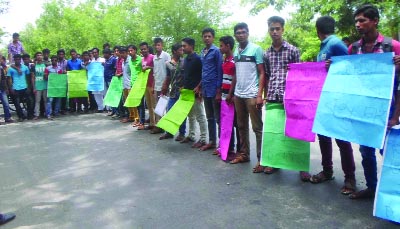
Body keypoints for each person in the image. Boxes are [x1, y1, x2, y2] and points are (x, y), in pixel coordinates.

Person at [346, 4, 400, 199]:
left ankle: (393, 195)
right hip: (363, 108)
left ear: (375, 21)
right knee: (366, 151)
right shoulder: (354, 48)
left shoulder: (392, 46)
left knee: (390, 152)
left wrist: (395, 116)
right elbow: (347, 77)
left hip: (387, 108)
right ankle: (371, 187)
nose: (358, 25)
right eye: (356, 21)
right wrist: (331, 66)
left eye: (363, 20)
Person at [309, 16, 357, 194]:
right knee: (323, 136)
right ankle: (327, 171)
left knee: (342, 138)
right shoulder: (324, 46)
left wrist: (335, 66)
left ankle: (350, 178)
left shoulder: (336, 44)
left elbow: (350, 68)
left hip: (338, 99)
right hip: (324, 98)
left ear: (317, 30)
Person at [262, 16, 311, 180]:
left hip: (291, 97)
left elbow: (300, 75)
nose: (274, 32)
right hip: (273, 97)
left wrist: (298, 97)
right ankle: (273, 162)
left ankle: (301, 167)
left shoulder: (293, 51)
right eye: (271, 29)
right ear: (269, 30)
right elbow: (267, 75)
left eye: (277, 28)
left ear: (283, 29)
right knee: (274, 132)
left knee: (297, 131)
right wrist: (265, 96)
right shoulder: (266, 53)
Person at [229, 23, 265, 170]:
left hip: (251, 95)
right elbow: (236, 73)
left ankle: (262, 159)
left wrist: (259, 95)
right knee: (241, 126)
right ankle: (244, 154)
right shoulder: (236, 51)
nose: (241, 35)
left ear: (248, 33)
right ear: (235, 35)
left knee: (257, 128)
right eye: (238, 33)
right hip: (238, 95)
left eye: (243, 32)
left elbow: (262, 72)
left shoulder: (256, 49)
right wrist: (231, 93)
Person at [180, 37, 208, 148]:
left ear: (191, 46)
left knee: (200, 116)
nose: (182, 48)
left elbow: (203, 75)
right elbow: (186, 75)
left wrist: (199, 88)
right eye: (182, 46)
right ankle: (191, 135)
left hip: (196, 92)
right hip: (187, 92)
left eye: (184, 46)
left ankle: (203, 138)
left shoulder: (198, 59)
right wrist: (182, 86)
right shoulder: (186, 59)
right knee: (190, 116)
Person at [199, 27, 223, 151]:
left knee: (218, 118)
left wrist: (219, 90)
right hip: (205, 89)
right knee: (209, 117)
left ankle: (222, 144)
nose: (207, 38)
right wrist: (200, 88)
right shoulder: (202, 52)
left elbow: (220, 70)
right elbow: (203, 72)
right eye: (205, 36)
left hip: (215, 89)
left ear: (213, 38)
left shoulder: (216, 51)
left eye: (209, 36)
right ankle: (212, 141)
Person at [218, 35, 240, 160]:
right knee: (226, 123)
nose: (220, 48)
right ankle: (228, 148)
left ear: (228, 46)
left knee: (236, 123)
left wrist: (231, 94)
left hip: (232, 96)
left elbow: (235, 79)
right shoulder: (224, 61)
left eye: (221, 45)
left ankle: (239, 150)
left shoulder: (234, 61)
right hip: (224, 96)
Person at [160, 43, 186, 141]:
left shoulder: (184, 62)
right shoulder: (168, 64)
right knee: (169, 111)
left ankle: (182, 133)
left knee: (180, 113)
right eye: (180, 50)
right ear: (174, 51)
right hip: (172, 91)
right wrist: (164, 87)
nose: (182, 52)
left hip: (182, 91)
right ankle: (169, 132)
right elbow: (168, 77)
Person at [151, 37, 171, 134]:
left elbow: (170, 71)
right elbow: (155, 72)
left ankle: (167, 128)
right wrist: (153, 86)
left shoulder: (166, 56)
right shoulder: (154, 57)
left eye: (159, 45)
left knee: (166, 106)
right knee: (158, 108)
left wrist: (166, 85)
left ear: (162, 45)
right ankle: (159, 126)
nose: (157, 47)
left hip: (165, 86)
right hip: (157, 85)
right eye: (155, 45)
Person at [7, 54, 34, 121]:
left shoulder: (25, 67)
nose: (17, 60)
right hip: (15, 88)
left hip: (25, 87)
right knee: (17, 103)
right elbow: (9, 79)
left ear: (20, 60)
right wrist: (11, 88)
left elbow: (28, 78)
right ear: (14, 60)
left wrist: (29, 87)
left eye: (19, 59)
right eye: (16, 59)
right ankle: (21, 116)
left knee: (30, 101)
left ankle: (29, 115)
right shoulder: (10, 69)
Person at [140, 42, 155, 130]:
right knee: (149, 106)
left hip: (152, 84)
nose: (143, 51)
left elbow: (156, 68)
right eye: (141, 49)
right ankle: (151, 123)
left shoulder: (152, 57)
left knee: (154, 106)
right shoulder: (142, 59)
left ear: (148, 49)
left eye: (144, 49)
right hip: (146, 84)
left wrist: (149, 67)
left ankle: (157, 124)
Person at [127, 45, 142, 126]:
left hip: (140, 84)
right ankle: (137, 119)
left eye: (131, 50)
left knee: (140, 104)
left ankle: (141, 121)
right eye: (129, 51)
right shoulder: (129, 60)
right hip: (132, 84)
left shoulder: (140, 59)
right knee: (135, 103)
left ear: (135, 50)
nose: (130, 52)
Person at [67, 49, 83, 113]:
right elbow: (67, 69)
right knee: (72, 94)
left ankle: (79, 108)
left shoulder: (80, 61)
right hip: (71, 80)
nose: (73, 55)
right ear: (70, 55)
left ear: (76, 54)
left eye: (74, 54)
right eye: (72, 54)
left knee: (79, 94)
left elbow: (82, 69)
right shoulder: (68, 62)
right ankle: (72, 108)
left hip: (78, 79)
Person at [32, 52, 48, 120]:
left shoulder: (46, 65)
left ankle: (48, 114)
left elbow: (48, 75)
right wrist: (34, 87)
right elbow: (32, 77)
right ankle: (36, 115)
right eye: (37, 55)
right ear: (36, 57)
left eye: (40, 55)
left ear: (42, 56)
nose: (39, 56)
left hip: (45, 85)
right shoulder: (33, 66)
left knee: (46, 101)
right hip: (37, 86)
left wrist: (46, 75)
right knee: (37, 101)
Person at [90, 47, 106, 113]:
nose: (94, 53)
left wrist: (104, 65)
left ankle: (107, 108)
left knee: (104, 93)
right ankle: (100, 108)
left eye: (96, 52)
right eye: (93, 52)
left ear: (98, 53)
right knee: (96, 94)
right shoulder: (91, 61)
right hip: (94, 80)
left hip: (102, 78)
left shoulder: (102, 60)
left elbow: (106, 67)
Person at [103, 48, 117, 114]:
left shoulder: (113, 60)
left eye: (104, 54)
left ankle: (116, 111)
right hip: (106, 80)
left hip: (112, 80)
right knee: (110, 96)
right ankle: (113, 110)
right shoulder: (106, 60)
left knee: (113, 96)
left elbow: (115, 69)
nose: (103, 55)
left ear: (108, 54)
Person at [0, 57, 13, 123]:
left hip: (2, 89)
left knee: (6, 104)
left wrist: (6, 88)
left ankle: (7, 117)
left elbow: (3, 79)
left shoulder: (1, 68)